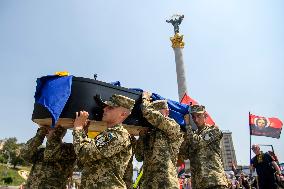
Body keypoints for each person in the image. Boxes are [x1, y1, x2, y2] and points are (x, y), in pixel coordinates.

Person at [73, 94, 135, 188]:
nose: (104, 109)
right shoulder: (107, 134)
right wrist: (83, 133)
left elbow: (83, 154)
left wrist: (78, 128)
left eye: (110, 107)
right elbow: (83, 162)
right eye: (105, 107)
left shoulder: (117, 135)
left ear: (122, 114)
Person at [135, 91, 184, 188]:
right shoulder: (149, 134)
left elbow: (148, 113)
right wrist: (142, 137)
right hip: (148, 183)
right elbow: (139, 157)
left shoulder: (172, 126)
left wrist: (145, 99)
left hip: (166, 183)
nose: (154, 115)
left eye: (157, 112)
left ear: (167, 112)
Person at [179, 104, 228, 189]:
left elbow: (198, 143)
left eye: (198, 115)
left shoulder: (213, 130)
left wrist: (187, 126)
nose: (196, 119)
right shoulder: (191, 135)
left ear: (205, 115)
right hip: (198, 184)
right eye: (193, 117)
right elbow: (185, 156)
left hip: (214, 181)